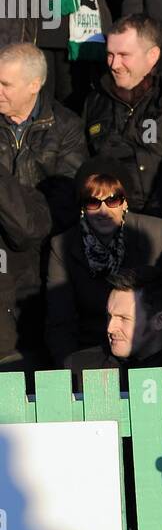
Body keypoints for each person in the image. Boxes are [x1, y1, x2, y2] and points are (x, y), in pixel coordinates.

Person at [0, 39, 86, 368]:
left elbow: (60, 207)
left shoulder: (66, 127)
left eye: (6, 84)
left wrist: (15, 208)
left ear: (34, 85)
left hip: (42, 254)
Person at [45, 158, 162, 368]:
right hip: (90, 351)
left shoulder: (155, 233)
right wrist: (69, 371)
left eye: (113, 200)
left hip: (149, 348)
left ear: (125, 202)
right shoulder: (63, 245)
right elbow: (60, 321)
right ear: (83, 207)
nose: (104, 211)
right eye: (93, 202)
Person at [83, 14, 162, 222]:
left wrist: (150, 221)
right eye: (110, 55)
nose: (114, 64)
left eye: (124, 55)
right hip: (108, 219)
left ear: (152, 56)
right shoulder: (96, 100)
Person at [69, 265, 162, 387]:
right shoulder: (79, 369)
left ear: (159, 321)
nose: (110, 328)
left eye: (124, 318)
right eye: (109, 316)